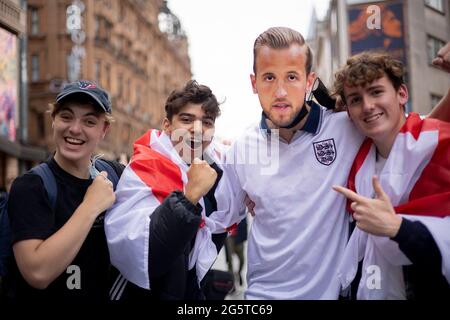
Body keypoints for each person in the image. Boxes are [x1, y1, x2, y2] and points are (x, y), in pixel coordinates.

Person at [208, 27, 450, 300]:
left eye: (291, 77)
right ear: (254, 83)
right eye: (268, 78)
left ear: (310, 81)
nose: (280, 91)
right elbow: (216, 221)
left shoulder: (347, 126)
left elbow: (416, 132)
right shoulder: (243, 148)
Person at [332, 52, 450, 300]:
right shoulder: (354, 164)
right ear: (349, 113)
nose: (367, 106)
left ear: (402, 94)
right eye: (355, 99)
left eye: (376, 92)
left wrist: (397, 228)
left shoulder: (440, 144)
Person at [105, 80, 229, 300]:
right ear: (167, 125)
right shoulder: (144, 169)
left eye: (207, 122)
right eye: (186, 119)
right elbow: (148, 258)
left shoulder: (209, 174)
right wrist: (189, 197)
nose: (197, 129)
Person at [6, 80, 123, 300]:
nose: (75, 129)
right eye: (66, 117)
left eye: (89, 121)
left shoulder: (116, 175)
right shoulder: (31, 186)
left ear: (104, 129)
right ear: (53, 120)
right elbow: (37, 272)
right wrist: (91, 206)